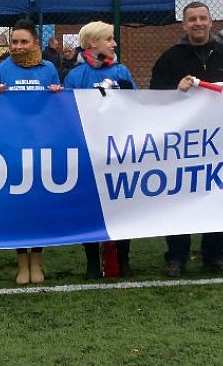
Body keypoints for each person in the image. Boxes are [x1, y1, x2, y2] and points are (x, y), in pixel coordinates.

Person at [149, 1, 223, 278]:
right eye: (192, 19)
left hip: (218, 141)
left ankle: (214, 255)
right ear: (184, 24)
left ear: (211, 22)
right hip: (183, 143)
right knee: (178, 198)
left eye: (202, 18)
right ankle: (176, 257)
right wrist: (175, 90)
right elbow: (154, 96)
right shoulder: (170, 58)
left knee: (218, 196)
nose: (198, 23)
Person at [0, 19, 62, 284]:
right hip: (12, 146)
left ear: (35, 43)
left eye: (24, 42)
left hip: (42, 145)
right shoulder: (1, 70)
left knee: (39, 205)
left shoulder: (48, 69)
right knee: (17, 206)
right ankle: (22, 262)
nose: (18, 46)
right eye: (14, 42)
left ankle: (37, 260)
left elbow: (58, 106)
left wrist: (57, 93)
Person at [64, 21, 136, 279]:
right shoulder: (76, 76)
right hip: (88, 149)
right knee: (90, 206)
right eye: (109, 39)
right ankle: (93, 261)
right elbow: (68, 112)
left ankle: (123, 259)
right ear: (93, 43)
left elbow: (136, 106)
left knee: (122, 204)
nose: (114, 44)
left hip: (118, 148)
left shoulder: (121, 71)